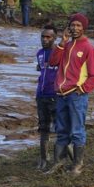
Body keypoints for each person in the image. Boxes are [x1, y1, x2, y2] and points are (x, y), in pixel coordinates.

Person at [45, 13, 94, 176]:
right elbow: (53, 62)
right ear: (68, 27)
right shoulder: (67, 45)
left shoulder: (88, 48)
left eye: (78, 25)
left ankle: (77, 165)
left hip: (76, 95)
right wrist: (62, 43)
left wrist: (82, 89)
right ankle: (59, 163)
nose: (75, 28)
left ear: (83, 28)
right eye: (73, 25)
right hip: (61, 95)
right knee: (61, 130)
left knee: (77, 130)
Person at [36, 26, 58, 171]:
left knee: (60, 129)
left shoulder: (60, 53)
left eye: (48, 37)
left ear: (54, 38)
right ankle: (44, 158)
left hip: (56, 96)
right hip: (41, 96)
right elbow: (40, 69)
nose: (45, 39)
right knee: (43, 128)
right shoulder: (39, 53)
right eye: (43, 36)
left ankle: (60, 160)